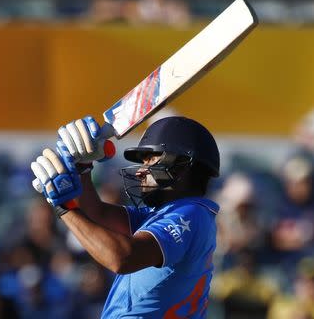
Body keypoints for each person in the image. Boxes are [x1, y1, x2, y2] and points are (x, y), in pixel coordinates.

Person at [31, 116, 221, 318]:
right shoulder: (162, 213)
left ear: (182, 164)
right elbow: (96, 213)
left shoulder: (192, 213)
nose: (140, 171)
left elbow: (122, 258)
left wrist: (65, 207)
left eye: (151, 159)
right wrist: (83, 168)